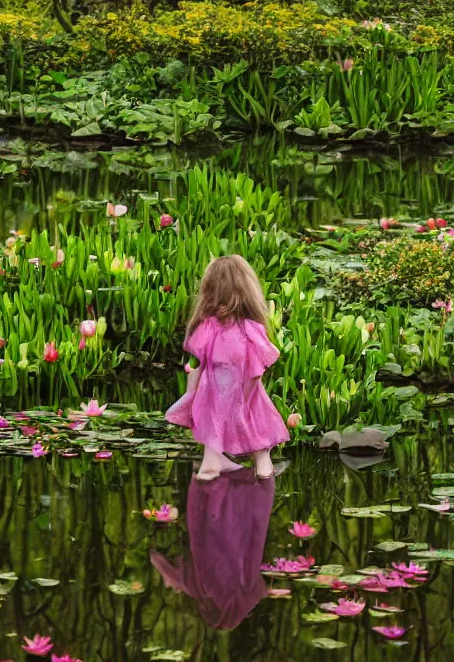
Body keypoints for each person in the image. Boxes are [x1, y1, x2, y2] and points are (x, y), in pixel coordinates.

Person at [166, 255, 288, 480]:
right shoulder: (250, 328)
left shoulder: (208, 327)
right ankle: (263, 465)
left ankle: (211, 465)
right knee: (258, 424)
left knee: (213, 425)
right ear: (246, 289)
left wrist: (192, 388)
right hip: (243, 388)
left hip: (213, 391)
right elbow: (260, 365)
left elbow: (202, 363)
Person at [150, 468, 275, 630]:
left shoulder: (246, 587)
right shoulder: (200, 589)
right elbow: (156, 560)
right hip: (213, 505)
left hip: (237, 500)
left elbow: (159, 564)